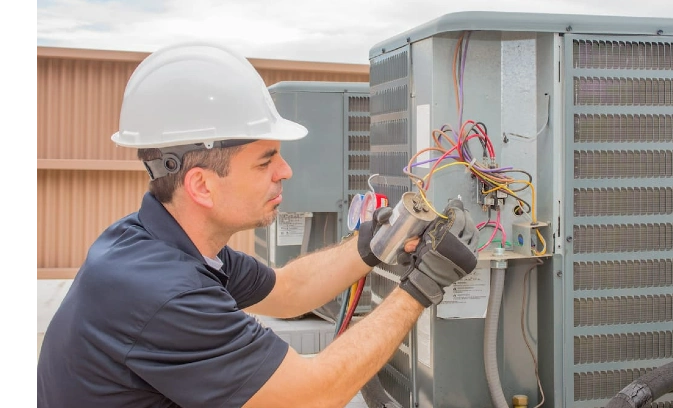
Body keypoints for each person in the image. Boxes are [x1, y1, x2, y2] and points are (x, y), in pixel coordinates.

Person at [34, 41, 480, 408]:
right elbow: (313, 394)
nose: (285, 171)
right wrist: (422, 288)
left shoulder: (157, 242)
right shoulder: (164, 295)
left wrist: (372, 243)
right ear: (201, 186)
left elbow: (286, 291)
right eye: (266, 160)